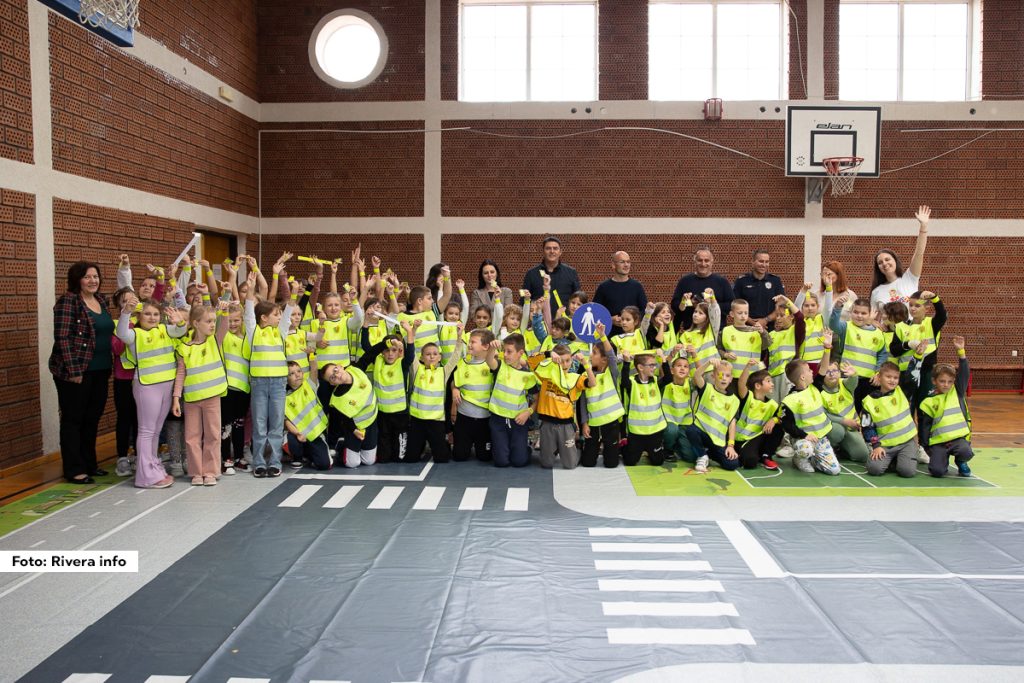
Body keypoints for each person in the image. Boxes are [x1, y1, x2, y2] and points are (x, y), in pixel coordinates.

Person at [49, 261, 115, 484]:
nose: (92, 280)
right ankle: (74, 469)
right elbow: (63, 338)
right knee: (73, 420)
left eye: (95, 276)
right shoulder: (68, 301)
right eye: (87, 277)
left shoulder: (101, 300)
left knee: (92, 418)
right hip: (76, 372)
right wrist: (74, 370)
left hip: (101, 369)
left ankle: (89, 463)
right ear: (77, 279)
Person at [115, 292, 186, 488]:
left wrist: (180, 322)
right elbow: (121, 334)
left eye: (155, 314)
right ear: (139, 317)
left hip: (166, 385)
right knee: (146, 431)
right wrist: (125, 313)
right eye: (147, 314)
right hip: (146, 385)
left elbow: (180, 331)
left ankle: (153, 466)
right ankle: (145, 476)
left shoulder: (164, 329)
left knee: (155, 431)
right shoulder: (135, 334)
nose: (152, 318)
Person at [172, 298, 231, 486]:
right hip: (191, 400)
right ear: (196, 323)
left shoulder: (215, 341)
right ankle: (196, 472)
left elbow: (224, 327)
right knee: (192, 437)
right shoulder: (184, 348)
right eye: (208, 321)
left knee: (213, 435)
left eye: (214, 321)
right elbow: (180, 374)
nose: (213, 325)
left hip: (212, 397)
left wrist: (224, 312)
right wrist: (176, 399)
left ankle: (211, 472)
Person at [855, 358, 922, 478]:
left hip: (906, 442)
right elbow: (866, 427)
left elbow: (912, 376)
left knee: (907, 472)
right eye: (888, 377)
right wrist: (876, 446)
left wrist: (918, 356)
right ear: (879, 377)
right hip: (885, 445)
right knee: (874, 469)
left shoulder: (902, 391)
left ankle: (902, 459)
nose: (892, 380)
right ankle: (892, 460)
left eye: (895, 378)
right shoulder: (868, 402)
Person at [918, 336, 974, 478]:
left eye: (950, 382)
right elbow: (924, 426)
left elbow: (965, 373)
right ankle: (941, 460)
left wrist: (961, 352)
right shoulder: (928, 402)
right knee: (937, 472)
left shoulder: (958, 392)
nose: (946, 385)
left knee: (965, 451)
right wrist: (926, 446)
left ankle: (961, 461)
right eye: (942, 381)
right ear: (934, 381)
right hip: (939, 443)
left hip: (958, 440)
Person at [488, 333, 540, 468]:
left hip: (518, 421)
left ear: (520, 353)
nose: (505, 354)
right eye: (504, 351)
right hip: (498, 420)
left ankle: (524, 448)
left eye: (509, 351)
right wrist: (491, 349)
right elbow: (489, 360)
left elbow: (536, 399)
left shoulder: (528, 375)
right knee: (501, 462)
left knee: (519, 462)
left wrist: (527, 412)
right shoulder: (500, 366)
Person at [870, 205, 931, 317]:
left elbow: (919, 253)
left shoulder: (909, 278)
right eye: (880, 262)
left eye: (887, 259)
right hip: (890, 334)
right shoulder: (876, 292)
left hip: (912, 332)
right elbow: (871, 319)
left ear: (895, 261)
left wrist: (923, 226)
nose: (884, 263)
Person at [685, 359, 742, 474]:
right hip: (701, 431)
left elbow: (732, 423)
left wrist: (731, 445)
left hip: (717, 440)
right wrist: (708, 363)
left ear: (731, 379)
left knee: (732, 464)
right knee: (691, 430)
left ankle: (709, 453)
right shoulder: (706, 388)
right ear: (713, 376)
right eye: (720, 374)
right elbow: (696, 375)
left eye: (727, 375)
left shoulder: (735, 400)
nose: (724, 378)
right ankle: (702, 456)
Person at [580, 324, 624, 468]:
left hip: (611, 424)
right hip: (593, 425)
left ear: (604, 359)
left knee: (611, 464)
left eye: (594, 353)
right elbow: (583, 403)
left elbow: (612, 356)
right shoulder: (585, 376)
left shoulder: (611, 373)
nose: (590, 355)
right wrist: (585, 423)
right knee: (588, 463)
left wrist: (603, 336)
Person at [452, 328, 498, 462]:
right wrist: (455, 389)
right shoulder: (463, 363)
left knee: (485, 457)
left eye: (473, 342)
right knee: (459, 456)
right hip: (464, 418)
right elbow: (455, 383)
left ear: (485, 346)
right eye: (469, 342)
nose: (470, 345)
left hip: (484, 419)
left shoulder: (493, 365)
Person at [620, 351, 668, 467]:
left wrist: (663, 359)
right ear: (640, 367)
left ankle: (654, 450)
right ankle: (624, 446)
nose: (654, 368)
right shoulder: (632, 382)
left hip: (654, 430)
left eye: (654, 365)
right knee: (630, 462)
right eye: (651, 365)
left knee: (658, 462)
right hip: (637, 432)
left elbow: (669, 378)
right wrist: (626, 362)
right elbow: (624, 380)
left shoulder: (656, 381)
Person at [670, 247, 734, 331]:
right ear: (695, 262)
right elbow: (674, 305)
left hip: (715, 331)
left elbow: (731, 305)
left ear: (712, 262)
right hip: (691, 330)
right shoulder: (685, 281)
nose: (703, 264)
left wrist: (712, 304)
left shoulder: (722, 281)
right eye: (700, 260)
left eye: (706, 260)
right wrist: (689, 303)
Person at [593, 251, 648, 336]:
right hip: (609, 337)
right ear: (613, 265)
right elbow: (596, 312)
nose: (626, 265)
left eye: (628, 262)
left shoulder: (637, 287)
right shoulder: (603, 287)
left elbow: (644, 311)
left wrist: (630, 321)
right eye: (622, 262)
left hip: (632, 337)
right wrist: (609, 319)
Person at [733, 250, 785, 330]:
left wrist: (766, 320)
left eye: (766, 262)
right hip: (746, 327)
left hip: (770, 328)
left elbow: (782, 306)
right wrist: (752, 322)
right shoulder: (741, 281)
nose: (764, 265)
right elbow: (734, 305)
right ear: (753, 262)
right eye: (761, 261)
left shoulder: (775, 281)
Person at [522, 236, 581, 308]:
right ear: (543, 251)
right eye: (548, 248)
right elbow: (523, 300)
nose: (552, 251)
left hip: (564, 318)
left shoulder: (571, 273)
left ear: (560, 252)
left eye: (555, 248)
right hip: (539, 318)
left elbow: (578, 299)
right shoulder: (531, 274)